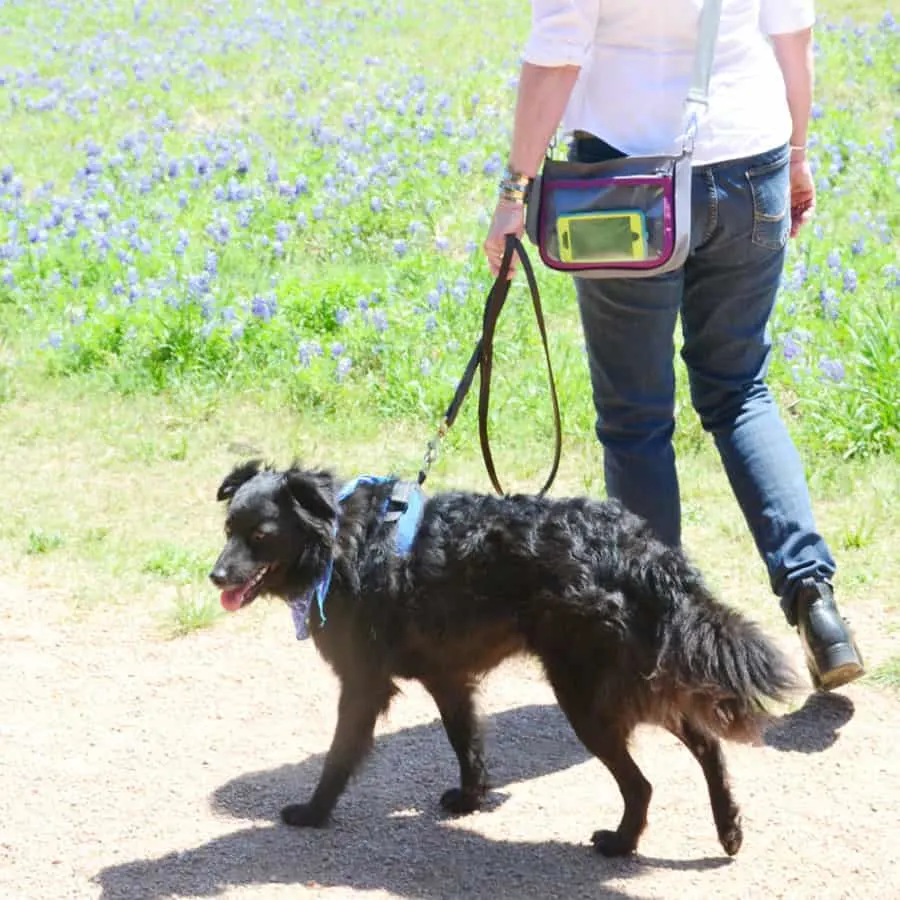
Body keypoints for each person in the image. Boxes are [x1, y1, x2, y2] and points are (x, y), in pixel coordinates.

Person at [482, 0, 864, 691]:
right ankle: (815, 600)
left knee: (635, 418)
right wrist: (800, 154)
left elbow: (558, 52)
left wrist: (515, 191)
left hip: (624, 181)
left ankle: (657, 631)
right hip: (753, 165)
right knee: (740, 389)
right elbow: (794, 30)